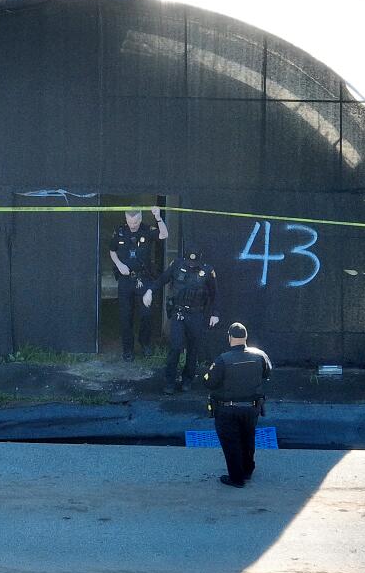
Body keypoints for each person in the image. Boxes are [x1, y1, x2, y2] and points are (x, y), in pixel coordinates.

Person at [203, 322, 272, 488]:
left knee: (231, 442)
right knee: (248, 438)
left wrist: (206, 375)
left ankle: (236, 478)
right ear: (245, 337)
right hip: (251, 407)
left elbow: (209, 382)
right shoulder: (260, 355)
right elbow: (267, 372)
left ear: (230, 337)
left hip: (227, 409)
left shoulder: (222, 360)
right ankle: (247, 471)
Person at [142, 245, 218, 394]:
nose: (191, 266)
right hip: (179, 313)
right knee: (175, 347)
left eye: (194, 264)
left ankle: (187, 380)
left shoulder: (207, 271)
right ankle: (170, 381)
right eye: (189, 263)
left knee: (193, 349)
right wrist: (149, 291)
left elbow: (214, 293)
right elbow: (162, 280)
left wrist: (215, 313)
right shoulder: (176, 265)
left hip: (196, 314)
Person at [108, 207, 168, 362]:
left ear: (140, 219)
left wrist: (158, 218)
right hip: (125, 280)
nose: (133, 224)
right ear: (126, 218)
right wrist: (119, 265)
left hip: (144, 279)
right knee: (125, 316)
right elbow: (112, 250)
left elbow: (164, 234)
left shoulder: (147, 230)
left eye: (135, 221)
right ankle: (127, 349)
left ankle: (145, 343)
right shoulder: (120, 231)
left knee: (146, 315)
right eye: (130, 221)